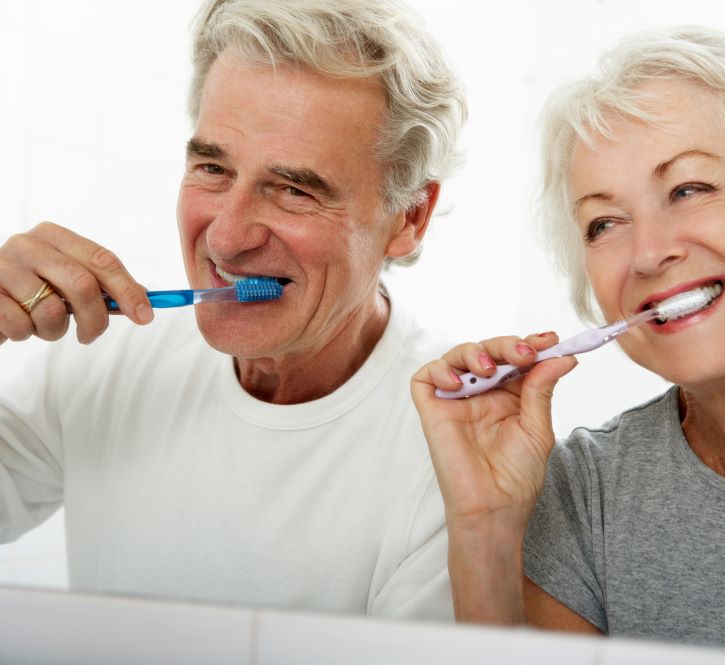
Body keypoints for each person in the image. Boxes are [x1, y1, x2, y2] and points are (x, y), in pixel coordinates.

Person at [0, 0, 465, 620]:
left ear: (409, 217)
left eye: (294, 189)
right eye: (213, 168)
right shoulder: (106, 357)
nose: (224, 238)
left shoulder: (455, 446)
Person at [411, 26, 725, 648]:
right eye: (604, 223)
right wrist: (485, 526)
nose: (648, 253)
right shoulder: (580, 491)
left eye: (688, 189)